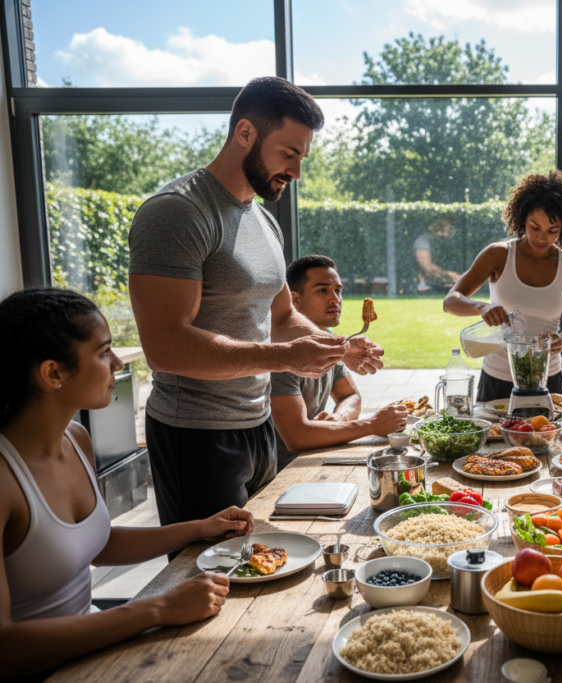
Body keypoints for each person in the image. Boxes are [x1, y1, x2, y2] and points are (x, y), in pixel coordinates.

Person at [128, 77, 384, 529]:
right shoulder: (177, 212)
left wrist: (338, 348)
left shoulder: (263, 221)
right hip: (196, 435)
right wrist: (283, 357)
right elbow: (165, 346)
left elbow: (282, 315)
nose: (297, 172)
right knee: (209, 576)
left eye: (303, 157)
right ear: (245, 133)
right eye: (288, 154)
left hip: (257, 424)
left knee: (261, 559)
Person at [0, 289, 255, 679]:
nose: (118, 363)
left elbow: (95, 544)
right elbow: (6, 646)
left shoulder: (76, 440)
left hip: (92, 653)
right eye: (104, 353)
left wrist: (200, 528)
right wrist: (157, 608)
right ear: (53, 373)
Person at [443, 171, 562, 402]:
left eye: (553, 230)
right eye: (534, 227)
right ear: (522, 218)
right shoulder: (498, 254)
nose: (542, 237)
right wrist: (481, 307)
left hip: (549, 380)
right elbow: (451, 301)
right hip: (498, 378)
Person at [271, 255, 408, 469]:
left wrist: (339, 418)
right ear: (295, 300)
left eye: (338, 290)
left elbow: (350, 395)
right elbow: (297, 437)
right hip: (284, 470)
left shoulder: (330, 339)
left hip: (315, 456)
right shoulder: (284, 353)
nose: (335, 299)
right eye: (322, 290)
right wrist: (372, 424)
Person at [414, 217, 461, 293]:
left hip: (437, 287)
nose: (451, 231)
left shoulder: (439, 243)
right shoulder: (423, 241)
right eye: (448, 228)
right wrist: (453, 276)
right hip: (423, 289)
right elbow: (428, 268)